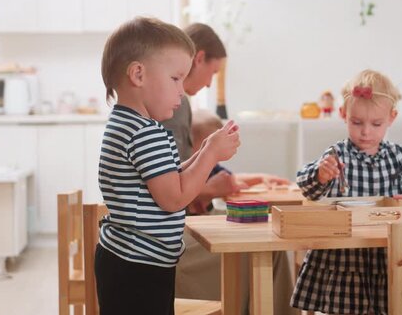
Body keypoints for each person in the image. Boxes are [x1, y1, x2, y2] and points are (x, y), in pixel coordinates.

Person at [94, 17, 240, 315]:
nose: (181, 90)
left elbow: (164, 178)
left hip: (125, 259)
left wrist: (203, 153)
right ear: (138, 74)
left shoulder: (124, 124)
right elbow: (174, 198)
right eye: (175, 79)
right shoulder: (146, 133)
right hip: (140, 265)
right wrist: (210, 153)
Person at [162, 23, 295, 314]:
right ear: (199, 58)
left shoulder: (170, 108)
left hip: (174, 231)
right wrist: (211, 184)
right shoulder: (175, 105)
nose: (210, 83)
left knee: (269, 237)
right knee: (272, 243)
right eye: (213, 72)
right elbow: (175, 192)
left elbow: (175, 178)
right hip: (174, 241)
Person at [290, 69, 402, 315]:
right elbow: (306, 187)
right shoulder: (337, 154)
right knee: (343, 308)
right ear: (344, 115)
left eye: (376, 124)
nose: (366, 132)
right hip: (342, 253)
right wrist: (321, 175)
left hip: (385, 252)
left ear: (391, 118)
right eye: (356, 123)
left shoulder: (397, 156)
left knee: (389, 307)